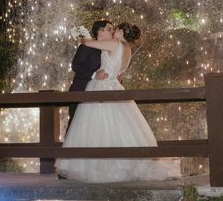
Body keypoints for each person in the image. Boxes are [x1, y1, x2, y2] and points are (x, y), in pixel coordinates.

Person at [56, 23, 180, 183]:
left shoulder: (114, 44)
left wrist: (81, 34)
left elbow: (86, 43)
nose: (113, 31)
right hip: (116, 86)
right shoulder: (128, 50)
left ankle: (99, 167)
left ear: (121, 32)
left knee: (95, 125)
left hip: (102, 86)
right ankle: (123, 164)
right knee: (121, 125)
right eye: (110, 29)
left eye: (116, 29)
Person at [67, 20, 113, 126]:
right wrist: (94, 75)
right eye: (109, 29)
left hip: (99, 95)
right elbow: (75, 65)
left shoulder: (109, 50)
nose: (112, 32)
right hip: (80, 92)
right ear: (100, 31)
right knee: (76, 126)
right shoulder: (87, 45)